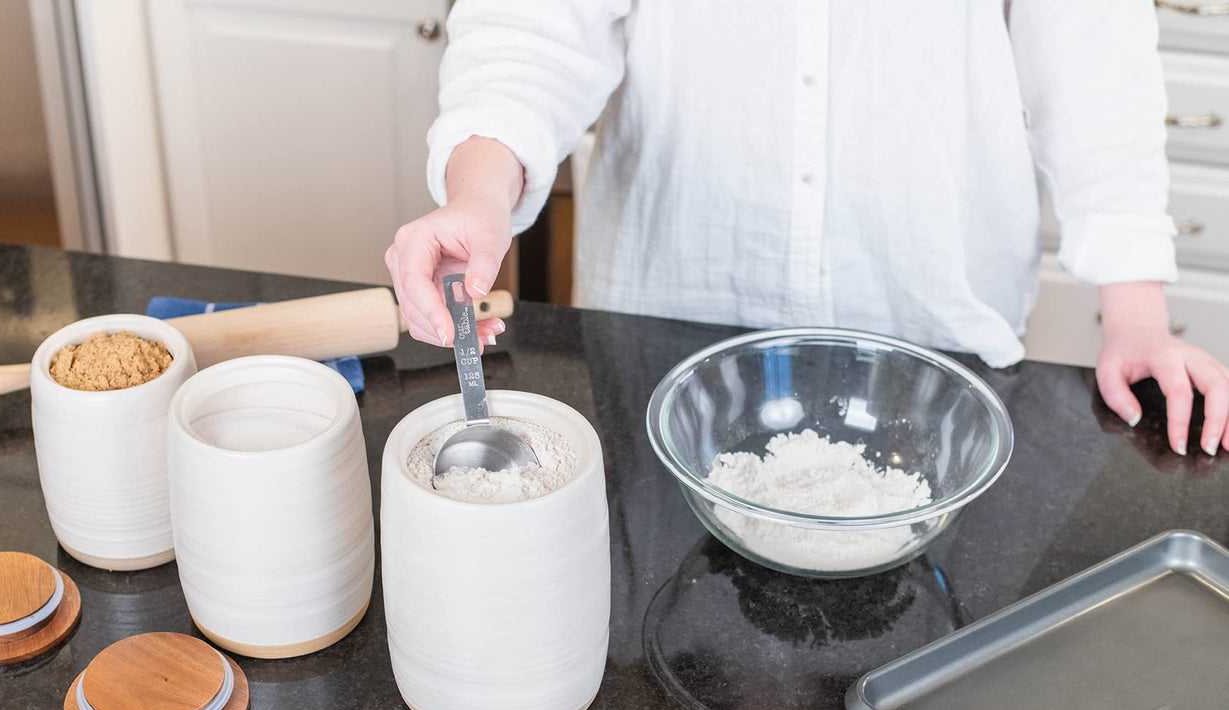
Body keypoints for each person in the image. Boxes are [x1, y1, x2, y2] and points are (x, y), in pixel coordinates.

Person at [384, 1, 1229, 457]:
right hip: (671, 327)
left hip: (928, 330)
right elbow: (534, 27)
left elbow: (1090, 53)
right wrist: (479, 194)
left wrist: (1136, 316)